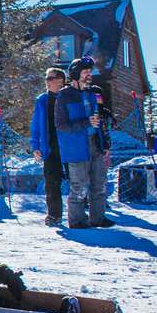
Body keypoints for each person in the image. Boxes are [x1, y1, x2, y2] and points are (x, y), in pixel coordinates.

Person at [54, 60, 113, 229]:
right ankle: (77, 220)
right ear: (75, 74)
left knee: (99, 183)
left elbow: (99, 119)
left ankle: (98, 218)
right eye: (85, 72)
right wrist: (86, 123)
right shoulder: (64, 96)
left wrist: (105, 142)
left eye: (90, 71)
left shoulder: (93, 93)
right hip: (76, 147)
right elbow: (61, 125)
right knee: (79, 185)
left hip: (96, 143)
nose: (89, 75)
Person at [29, 67, 68, 226]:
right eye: (46, 78)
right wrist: (35, 145)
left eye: (50, 78)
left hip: (70, 147)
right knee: (51, 183)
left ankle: (80, 215)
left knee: (77, 181)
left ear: (60, 80)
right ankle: (54, 215)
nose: (47, 81)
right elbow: (36, 124)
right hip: (50, 147)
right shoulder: (42, 100)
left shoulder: (69, 97)